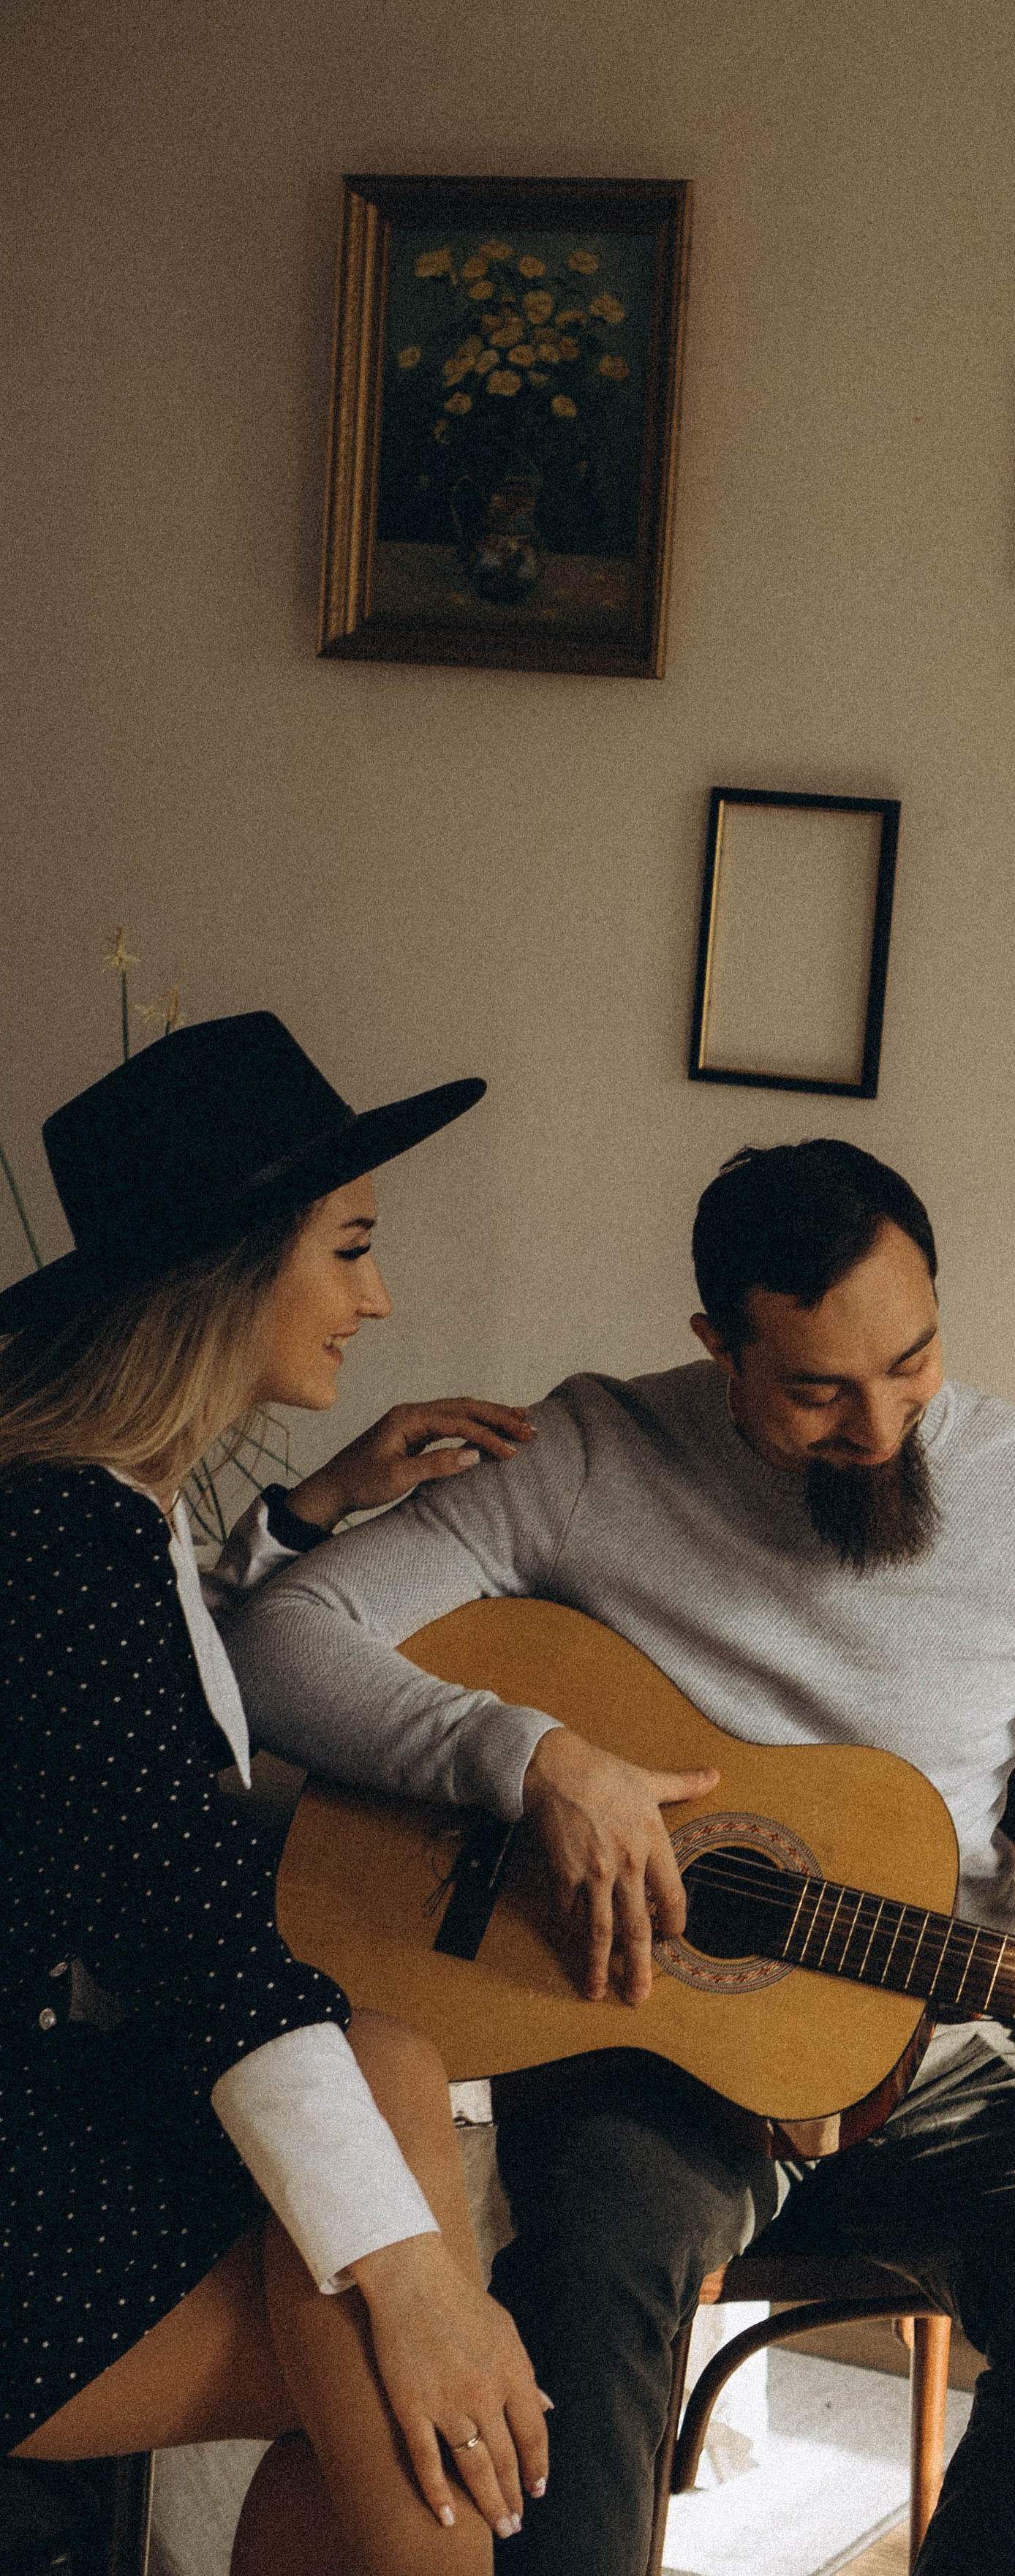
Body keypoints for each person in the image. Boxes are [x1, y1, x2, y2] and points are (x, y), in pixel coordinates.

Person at [223, 1137, 1015, 2576]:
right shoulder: (588, 1458)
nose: (881, 1422)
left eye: (913, 1359)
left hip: (942, 2043)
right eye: (821, 1388)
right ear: (718, 1347)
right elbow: (276, 1648)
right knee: (582, 2291)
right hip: (646, 2039)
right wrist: (537, 1764)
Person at [1, 1013, 550, 2576]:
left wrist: (312, 1513)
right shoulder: (61, 1554)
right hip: (20, 2173)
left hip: (55, 2095)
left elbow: (149, 1712)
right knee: (409, 2376)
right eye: (350, 1249)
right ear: (228, 1273)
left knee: (386, 2055)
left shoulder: (96, 1513)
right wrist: (426, 2290)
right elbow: (203, 1936)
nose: (378, 1296)